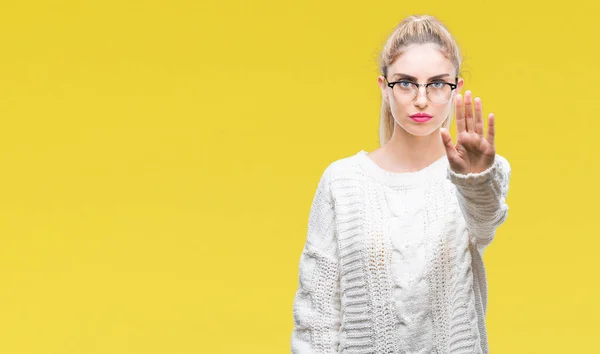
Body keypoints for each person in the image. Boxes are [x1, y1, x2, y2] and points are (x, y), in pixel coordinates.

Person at [290, 14, 511, 354]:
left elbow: (485, 225)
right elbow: (316, 313)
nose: (421, 98)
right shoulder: (342, 181)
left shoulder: (478, 176)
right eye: (406, 83)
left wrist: (474, 179)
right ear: (384, 87)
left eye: (437, 83)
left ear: (456, 89)